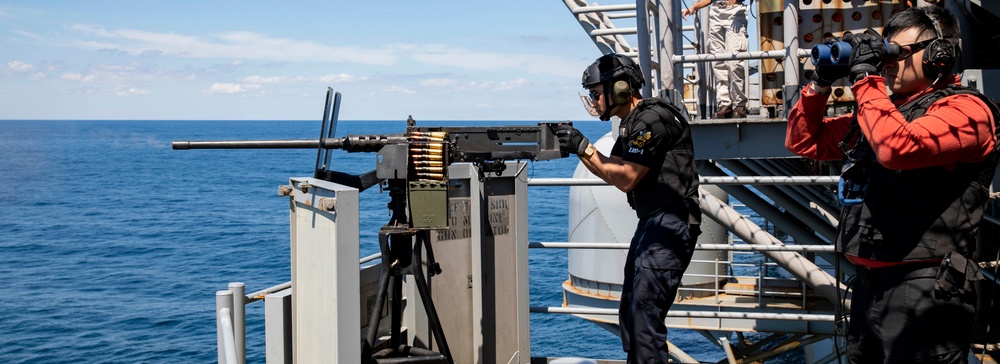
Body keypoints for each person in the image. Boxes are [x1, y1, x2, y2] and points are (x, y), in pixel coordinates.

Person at [785, 6, 999, 363]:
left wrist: (865, 78)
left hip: (924, 293)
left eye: (898, 54)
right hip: (870, 290)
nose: (887, 64)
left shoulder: (967, 111)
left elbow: (896, 147)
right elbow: (804, 141)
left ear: (938, 55)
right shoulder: (886, 113)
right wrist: (820, 83)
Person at [556, 53, 702, 363]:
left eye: (597, 93)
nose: (594, 101)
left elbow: (627, 178)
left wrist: (583, 147)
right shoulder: (634, 122)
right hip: (654, 222)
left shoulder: (653, 119)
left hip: (670, 223)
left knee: (644, 312)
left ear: (620, 88)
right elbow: (615, 168)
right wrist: (581, 151)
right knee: (632, 309)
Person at [682, 0, 749, 119]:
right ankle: (725, 104)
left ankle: (740, 104)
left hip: (735, 11)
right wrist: (694, 7)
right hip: (716, 13)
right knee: (718, 62)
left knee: (734, 62)